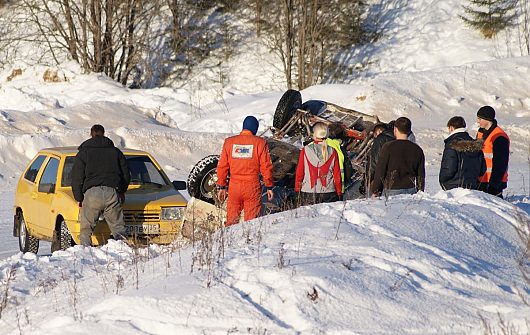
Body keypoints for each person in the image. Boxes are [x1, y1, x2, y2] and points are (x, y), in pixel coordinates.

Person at [71, 125, 130, 246]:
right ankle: (123, 251)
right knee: (118, 228)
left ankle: (85, 252)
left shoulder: (83, 153)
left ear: (91, 134)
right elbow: (126, 174)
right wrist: (121, 191)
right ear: (104, 133)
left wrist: (79, 198)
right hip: (112, 192)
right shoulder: (116, 152)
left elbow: (76, 177)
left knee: (86, 229)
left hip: (92, 193)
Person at [216, 116, 274, 226]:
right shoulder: (260, 143)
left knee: (231, 221)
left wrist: (221, 187)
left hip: (234, 187)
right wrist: (269, 186)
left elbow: (222, 166)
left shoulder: (229, 142)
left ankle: (230, 241)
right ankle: (248, 241)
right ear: (255, 129)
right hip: (252, 187)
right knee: (251, 223)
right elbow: (266, 166)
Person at [370, 117, 425, 197]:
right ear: (409, 131)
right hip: (410, 190)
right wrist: (420, 191)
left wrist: (376, 190)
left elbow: (380, 170)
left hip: (391, 190)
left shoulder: (388, 147)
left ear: (395, 129)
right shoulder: (417, 150)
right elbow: (420, 175)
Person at [295, 122, 342, 205]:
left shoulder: (305, 150)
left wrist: (297, 189)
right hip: (329, 192)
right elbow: (337, 175)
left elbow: (300, 172)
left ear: (315, 135)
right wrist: (339, 192)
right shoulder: (333, 151)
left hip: (308, 191)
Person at [439, 116, 486, 190]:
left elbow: (448, 168)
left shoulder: (452, 144)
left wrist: (442, 180)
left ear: (451, 128)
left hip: (453, 186)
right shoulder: (475, 144)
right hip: (473, 187)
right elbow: (482, 169)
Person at [475, 106, 510, 198]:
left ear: (487, 119)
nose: (477, 121)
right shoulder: (480, 133)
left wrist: (493, 186)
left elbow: (501, 164)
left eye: (480, 118)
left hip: (494, 183)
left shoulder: (500, 137)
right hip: (481, 180)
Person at [363, 122, 395, 194]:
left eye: (375, 135)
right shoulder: (397, 139)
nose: (375, 138)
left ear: (379, 130)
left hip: (383, 182)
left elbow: (373, 163)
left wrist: (366, 181)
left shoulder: (380, 139)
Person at [326, 122, 354, 194]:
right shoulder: (339, 150)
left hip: (310, 187)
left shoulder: (313, 145)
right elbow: (347, 170)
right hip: (331, 188)